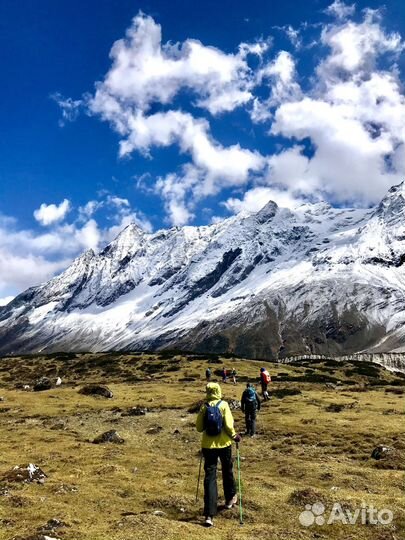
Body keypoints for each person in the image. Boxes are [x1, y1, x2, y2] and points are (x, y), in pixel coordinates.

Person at [196, 382, 241, 527]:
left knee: (210, 476)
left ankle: (209, 514)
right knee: (227, 470)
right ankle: (229, 499)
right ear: (219, 391)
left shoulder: (204, 407)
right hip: (224, 444)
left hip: (208, 446)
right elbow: (228, 425)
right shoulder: (223, 405)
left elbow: (199, 428)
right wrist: (234, 436)